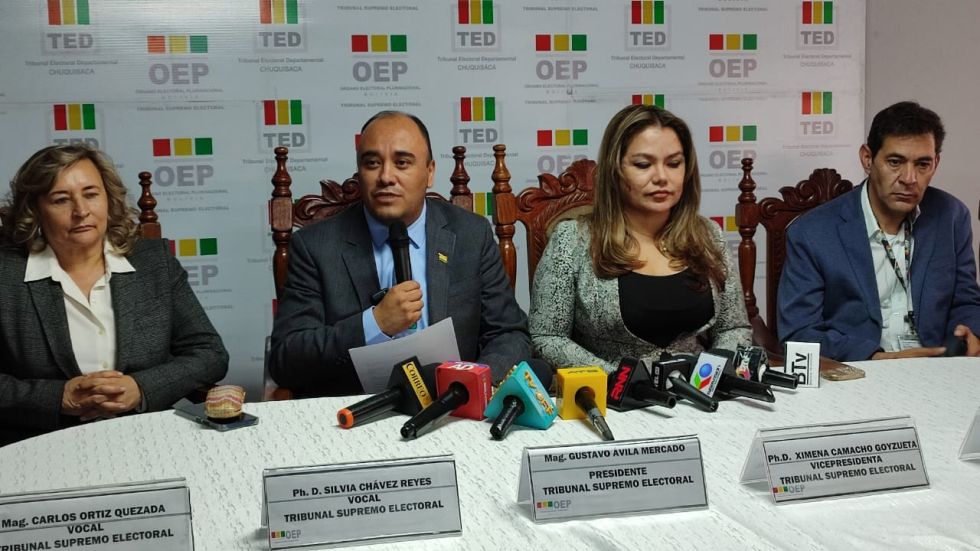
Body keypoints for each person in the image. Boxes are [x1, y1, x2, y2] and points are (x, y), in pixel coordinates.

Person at [269, 111, 531, 396]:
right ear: (359, 172)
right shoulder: (315, 246)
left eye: (402, 163)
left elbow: (509, 334)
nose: (385, 177)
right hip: (354, 410)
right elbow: (286, 359)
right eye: (372, 163)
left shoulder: (471, 234)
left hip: (454, 405)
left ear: (430, 172)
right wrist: (374, 324)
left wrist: (472, 385)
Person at [0, 145, 228, 446]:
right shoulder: (6, 276)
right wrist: (58, 397)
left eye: (91, 194)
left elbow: (210, 353)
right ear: (35, 210)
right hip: (38, 443)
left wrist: (141, 388)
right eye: (61, 199)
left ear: (109, 199)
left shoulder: (153, 262)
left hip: (147, 437)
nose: (81, 211)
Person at [529, 104, 750, 372]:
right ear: (615, 170)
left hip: (697, 391)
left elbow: (733, 328)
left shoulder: (708, 235)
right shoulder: (572, 240)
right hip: (610, 393)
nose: (661, 177)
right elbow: (547, 337)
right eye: (643, 165)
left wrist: (709, 376)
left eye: (674, 163)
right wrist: (621, 380)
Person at [778, 101, 980, 360]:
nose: (909, 178)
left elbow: (966, 301)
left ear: (936, 163)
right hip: (859, 370)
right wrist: (877, 358)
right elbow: (799, 333)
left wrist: (971, 332)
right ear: (867, 158)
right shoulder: (812, 233)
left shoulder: (951, 216)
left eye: (923, 164)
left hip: (938, 366)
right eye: (895, 162)